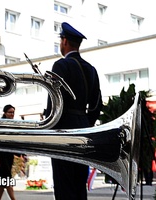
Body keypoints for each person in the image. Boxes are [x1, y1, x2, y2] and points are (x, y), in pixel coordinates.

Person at [46, 22, 103, 200]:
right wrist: (86, 123)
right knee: (79, 184)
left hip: (62, 131)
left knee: (64, 185)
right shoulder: (91, 69)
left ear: (64, 41)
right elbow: (97, 104)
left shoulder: (61, 65)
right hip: (83, 130)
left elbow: (54, 102)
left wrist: (48, 125)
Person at [0, 104, 26, 200]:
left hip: (10, 154)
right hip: (1, 155)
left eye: (13, 112)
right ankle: (13, 199)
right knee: (7, 179)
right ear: (5, 113)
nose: (12, 114)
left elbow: (16, 140)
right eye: (10, 112)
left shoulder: (13, 124)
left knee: (3, 181)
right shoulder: (0, 124)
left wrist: (20, 154)